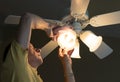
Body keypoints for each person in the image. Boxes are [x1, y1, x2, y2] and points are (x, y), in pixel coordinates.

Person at [0, 13, 75, 82]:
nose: (39, 50)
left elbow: (28, 18)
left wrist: (48, 27)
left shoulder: (17, 65)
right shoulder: (18, 67)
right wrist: (67, 64)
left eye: (32, 48)